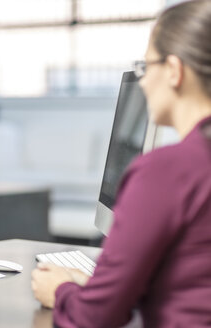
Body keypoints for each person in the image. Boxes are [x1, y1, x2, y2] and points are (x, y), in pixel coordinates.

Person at [31, 1, 211, 327]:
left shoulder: (167, 170)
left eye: (146, 67)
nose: (142, 82)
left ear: (174, 70)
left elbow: (95, 318)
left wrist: (60, 290)